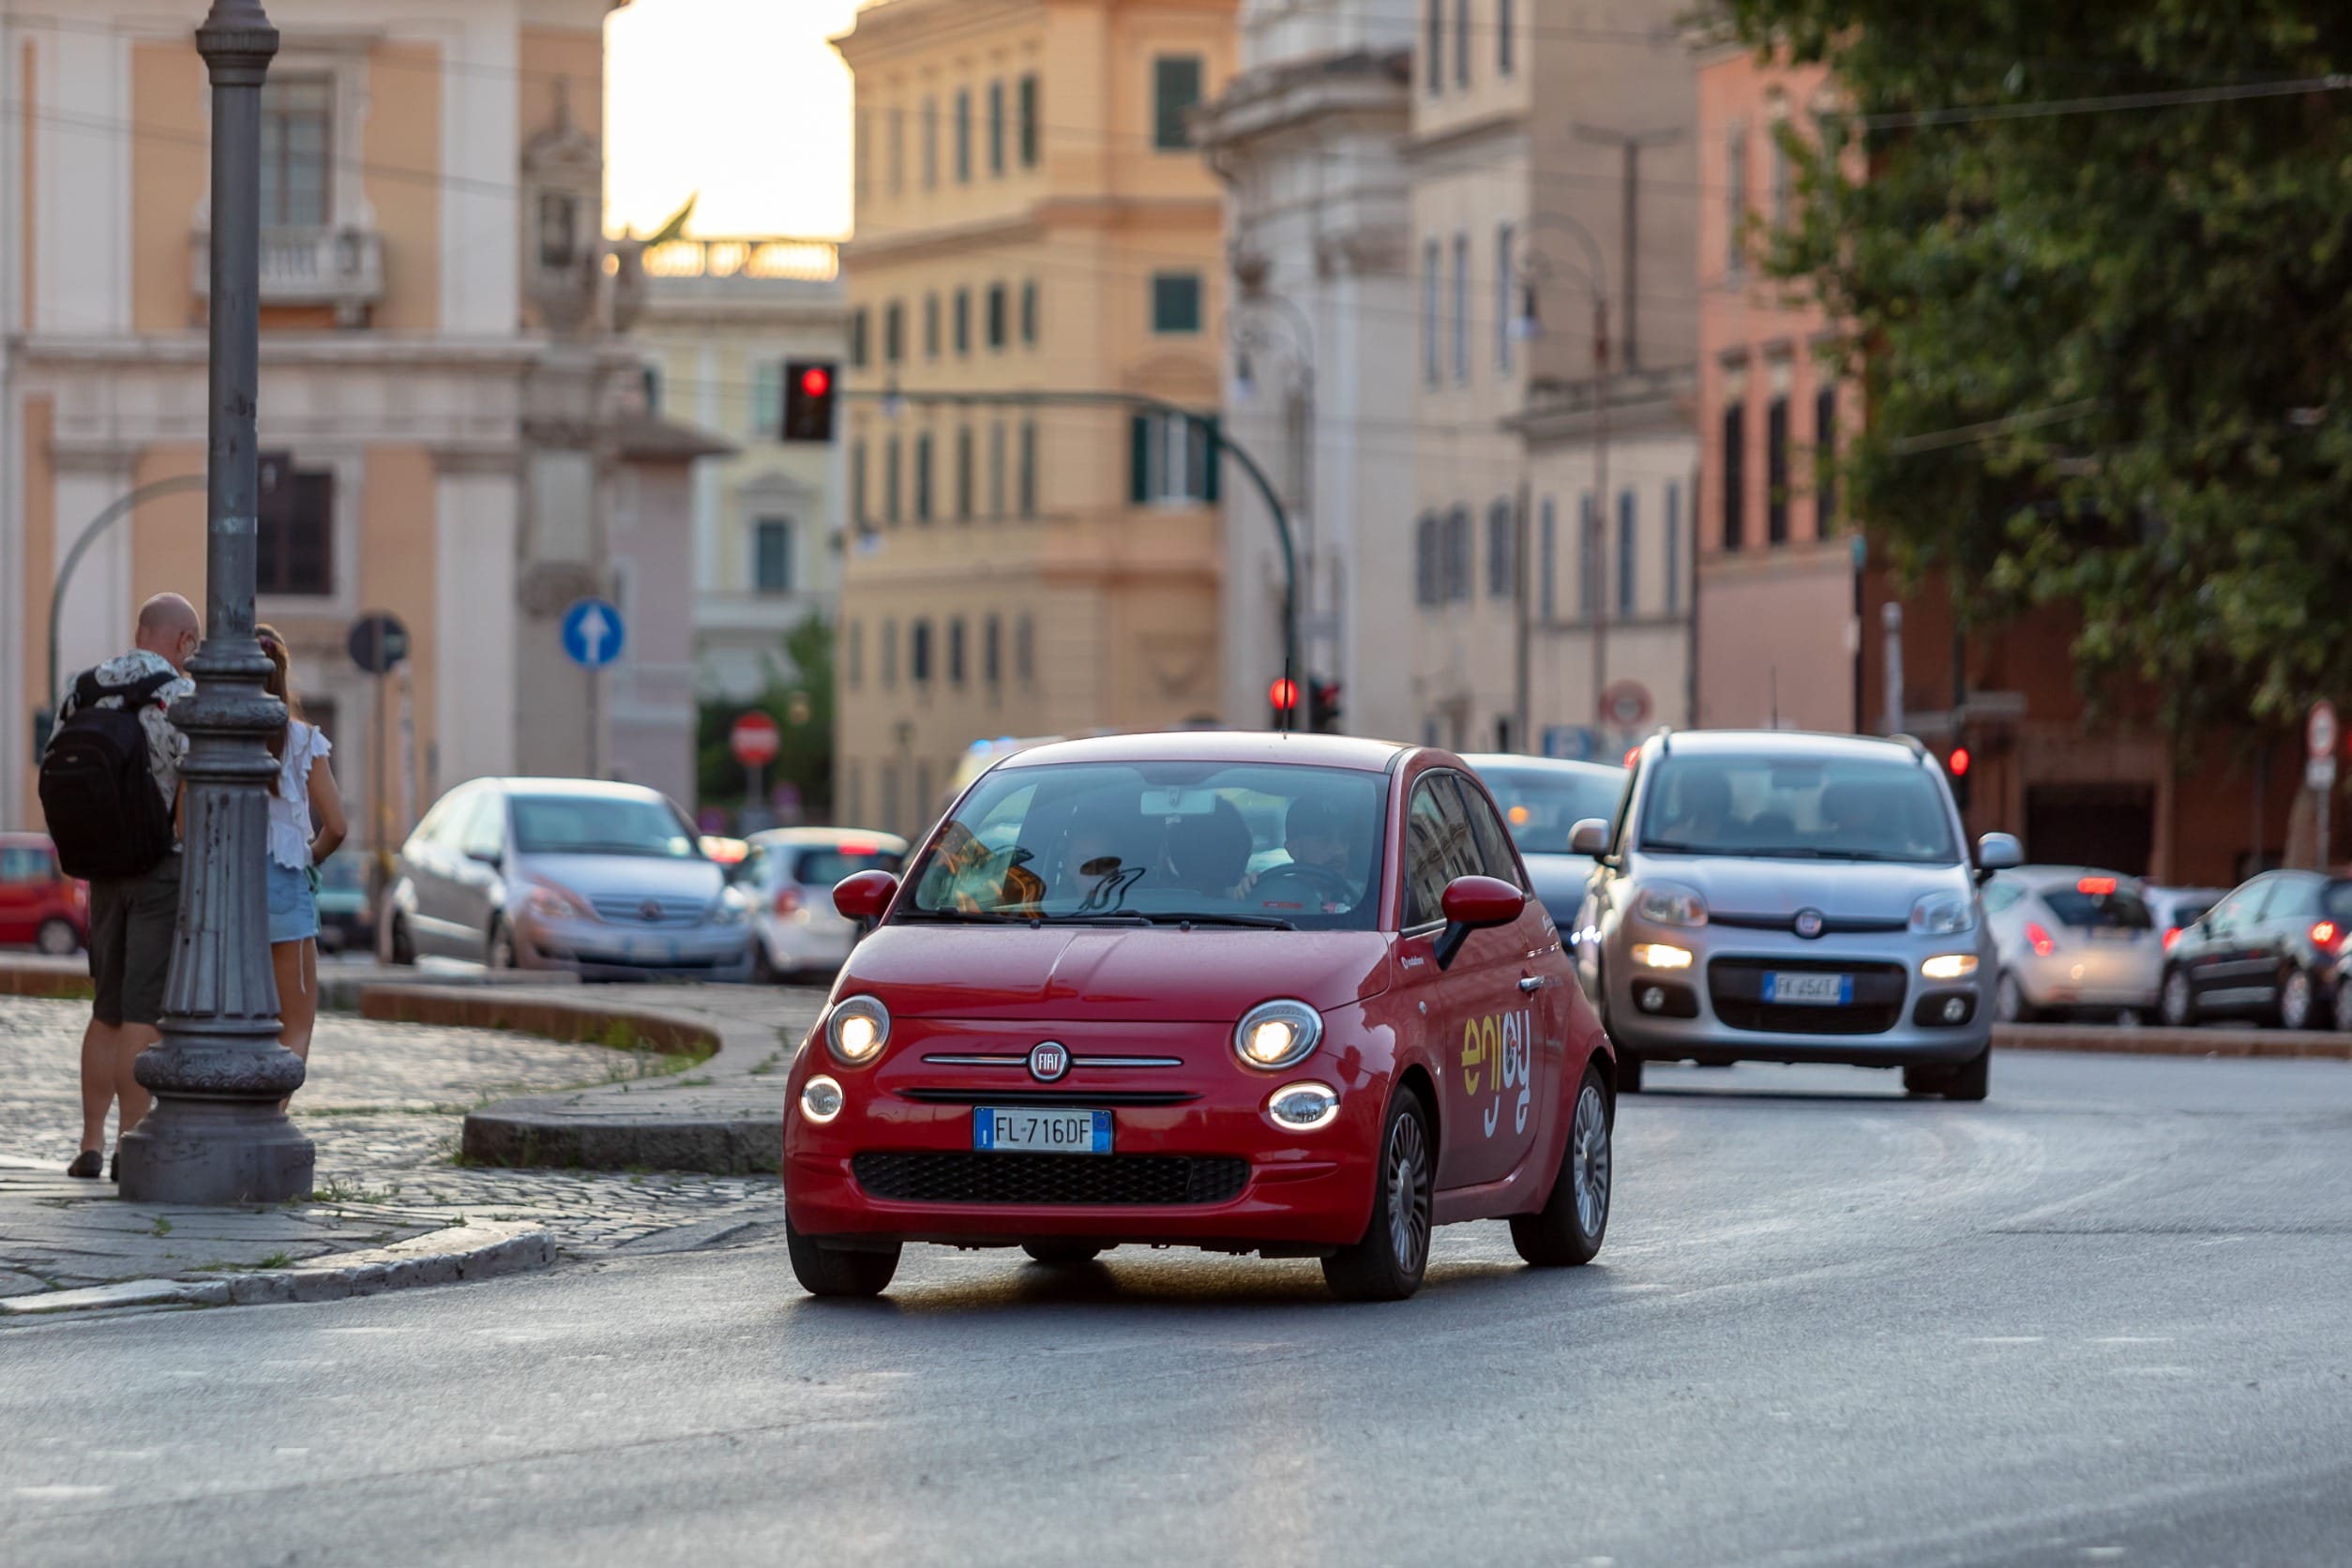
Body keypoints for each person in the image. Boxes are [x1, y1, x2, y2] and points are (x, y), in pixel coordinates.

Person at [50, 594, 200, 1180]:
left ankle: (88, 1140)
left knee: (106, 1008)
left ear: (139, 631)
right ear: (184, 642)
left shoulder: (82, 688)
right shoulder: (182, 698)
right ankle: (129, 1145)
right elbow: (189, 789)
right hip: (160, 865)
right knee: (143, 1009)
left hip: (100, 865)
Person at [256, 626, 347, 1098]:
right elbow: (338, 826)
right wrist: (308, 856)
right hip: (285, 887)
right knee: (295, 1023)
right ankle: (271, 1119)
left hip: (229, 886)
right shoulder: (302, 740)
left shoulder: (212, 729)